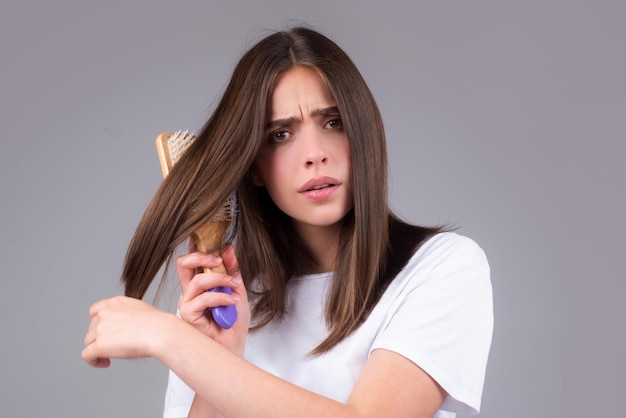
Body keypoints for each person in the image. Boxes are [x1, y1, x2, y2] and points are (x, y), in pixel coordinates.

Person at [82, 26, 493, 418]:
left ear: (364, 135)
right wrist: (218, 353)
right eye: (280, 134)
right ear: (254, 166)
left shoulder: (441, 268)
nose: (314, 153)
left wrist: (167, 339)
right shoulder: (225, 306)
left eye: (333, 122)